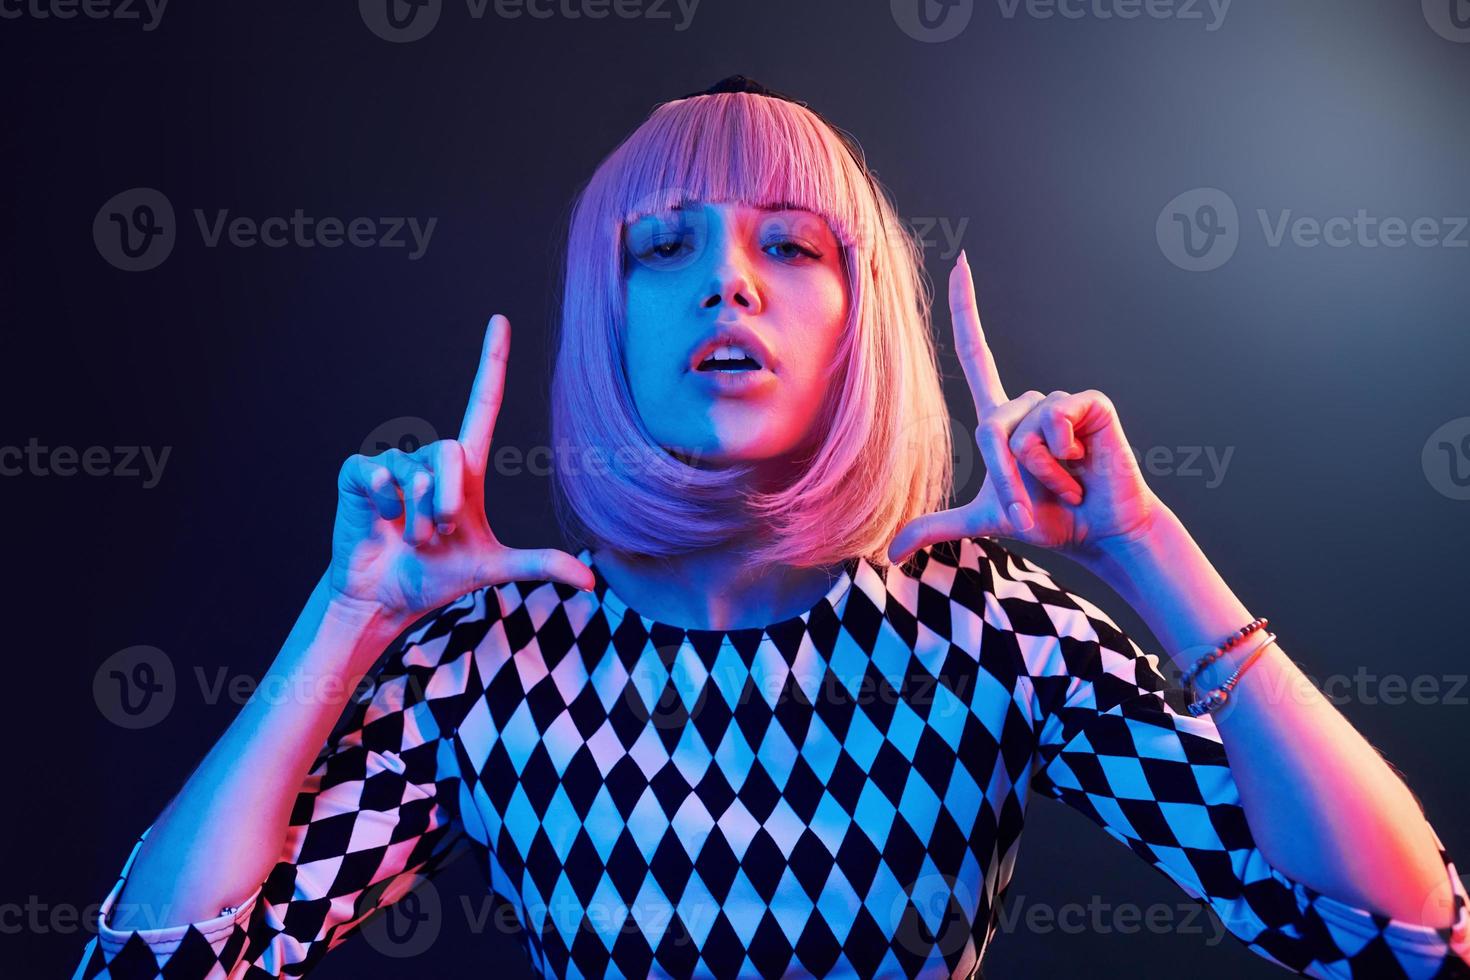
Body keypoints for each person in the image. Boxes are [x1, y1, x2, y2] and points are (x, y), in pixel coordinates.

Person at [74, 75, 1470, 979]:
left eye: (791, 246)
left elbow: (1398, 940)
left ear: (861, 313)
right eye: (662, 247)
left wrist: (1144, 547)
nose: (726, 287)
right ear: (606, 312)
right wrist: (348, 616)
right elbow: (158, 965)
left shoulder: (976, 620)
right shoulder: (494, 658)